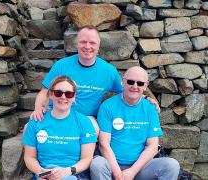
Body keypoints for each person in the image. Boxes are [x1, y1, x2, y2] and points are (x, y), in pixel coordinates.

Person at [30, 25, 159, 133]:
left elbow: (128, 91)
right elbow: (44, 92)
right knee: (29, 129)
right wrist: (38, 109)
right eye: (83, 42)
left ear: (98, 45)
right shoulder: (61, 65)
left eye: (92, 43)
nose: (87, 46)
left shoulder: (108, 71)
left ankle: (85, 162)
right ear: (76, 43)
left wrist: (147, 98)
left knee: (94, 129)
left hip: (86, 119)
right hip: (56, 113)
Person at [90, 66, 180, 180]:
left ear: (146, 85)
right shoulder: (108, 106)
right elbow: (104, 145)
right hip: (112, 167)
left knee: (171, 165)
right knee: (97, 164)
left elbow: (152, 146)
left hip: (140, 168)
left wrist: (132, 172)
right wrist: (119, 175)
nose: (135, 86)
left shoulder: (150, 109)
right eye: (130, 82)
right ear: (123, 82)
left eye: (140, 83)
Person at [23, 76, 97, 180]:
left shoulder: (84, 122)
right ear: (51, 94)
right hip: (44, 174)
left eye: (69, 94)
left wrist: (67, 171)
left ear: (74, 97)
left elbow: (87, 159)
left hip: (74, 174)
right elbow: (29, 157)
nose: (63, 97)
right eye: (58, 93)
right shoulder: (36, 121)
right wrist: (41, 173)